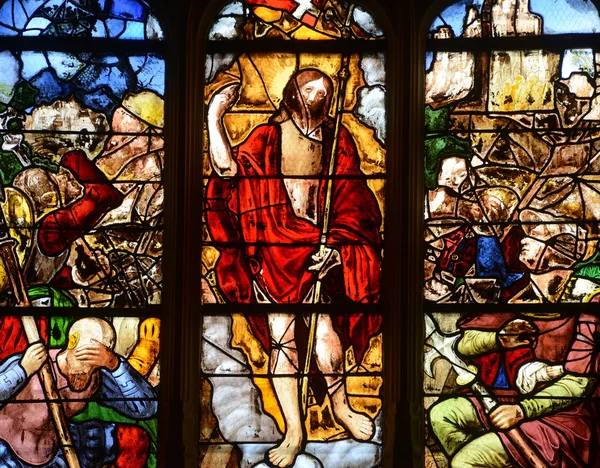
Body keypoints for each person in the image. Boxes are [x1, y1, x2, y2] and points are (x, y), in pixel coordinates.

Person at [205, 69, 382, 467]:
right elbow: (227, 171)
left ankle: (342, 407)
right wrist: (214, 117)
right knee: (282, 339)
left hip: (318, 249)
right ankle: (294, 429)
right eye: (309, 88)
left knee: (324, 334)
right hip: (271, 250)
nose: (317, 95)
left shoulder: (338, 140)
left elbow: (355, 201)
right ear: (291, 93)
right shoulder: (267, 137)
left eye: (324, 90)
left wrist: (338, 248)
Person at [0, 317, 158, 468]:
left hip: (58, 450)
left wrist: (114, 365)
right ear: (72, 341)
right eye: (83, 358)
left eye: (94, 363)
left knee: (133, 439)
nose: (86, 370)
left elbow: (146, 408)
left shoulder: (96, 378)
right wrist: (23, 370)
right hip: (7, 453)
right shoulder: (33, 363)